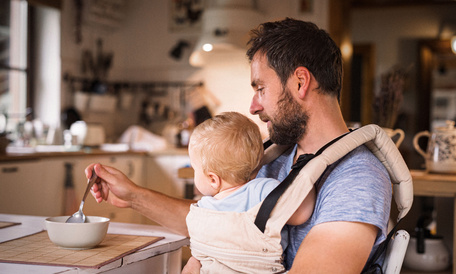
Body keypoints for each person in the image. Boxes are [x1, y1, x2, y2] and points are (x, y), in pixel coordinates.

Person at [87, 17, 392, 273]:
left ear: (300, 82)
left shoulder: (357, 178)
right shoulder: (278, 156)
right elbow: (223, 223)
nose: (253, 106)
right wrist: (135, 196)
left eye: (261, 88)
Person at [183, 111, 315, 273]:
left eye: (195, 169)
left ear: (213, 179)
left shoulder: (204, 207)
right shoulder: (264, 190)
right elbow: (301, 214)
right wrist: (304, 178)